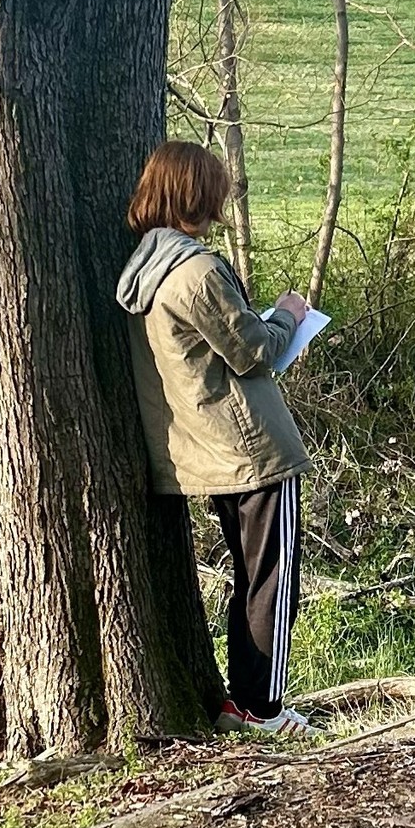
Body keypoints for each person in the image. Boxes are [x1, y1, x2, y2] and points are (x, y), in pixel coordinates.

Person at [116, 140, 321, 738]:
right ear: (197, 195)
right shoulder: (198, 269)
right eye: (214, 191)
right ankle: (260, 708)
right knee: (272, 578)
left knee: (249, 573)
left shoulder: (143, 266)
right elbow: (256, 351)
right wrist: (287, 314)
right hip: (251, 449)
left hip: (200, 447)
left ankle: (248, 698)